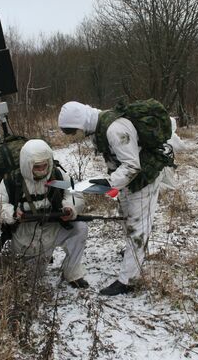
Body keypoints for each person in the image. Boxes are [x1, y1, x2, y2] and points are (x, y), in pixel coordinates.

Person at [58, 100, 171, 296]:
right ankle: (134, 251)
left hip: (145, 175)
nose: (74, 134)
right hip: (127, 179)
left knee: (138, 224)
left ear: (81, 122)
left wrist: (109, 183)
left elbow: (132, 165)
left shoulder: (114, 129)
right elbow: (115, 161)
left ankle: (128, 280)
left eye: (73, 130)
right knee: (126, 216)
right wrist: (109, 183)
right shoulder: (99, 129)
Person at [0, 139, 89, 289]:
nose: (42, 170)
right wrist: (12, 214)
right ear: (27, 164)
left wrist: (69, 208)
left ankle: (72, 272)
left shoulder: (57, 175)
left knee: (80, 228)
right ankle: (37, 261)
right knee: (32, 281)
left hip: (52, 229)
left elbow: (74, 194)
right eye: (37, 167)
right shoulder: (12, 181)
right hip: (26, 237)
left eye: (45, 165)